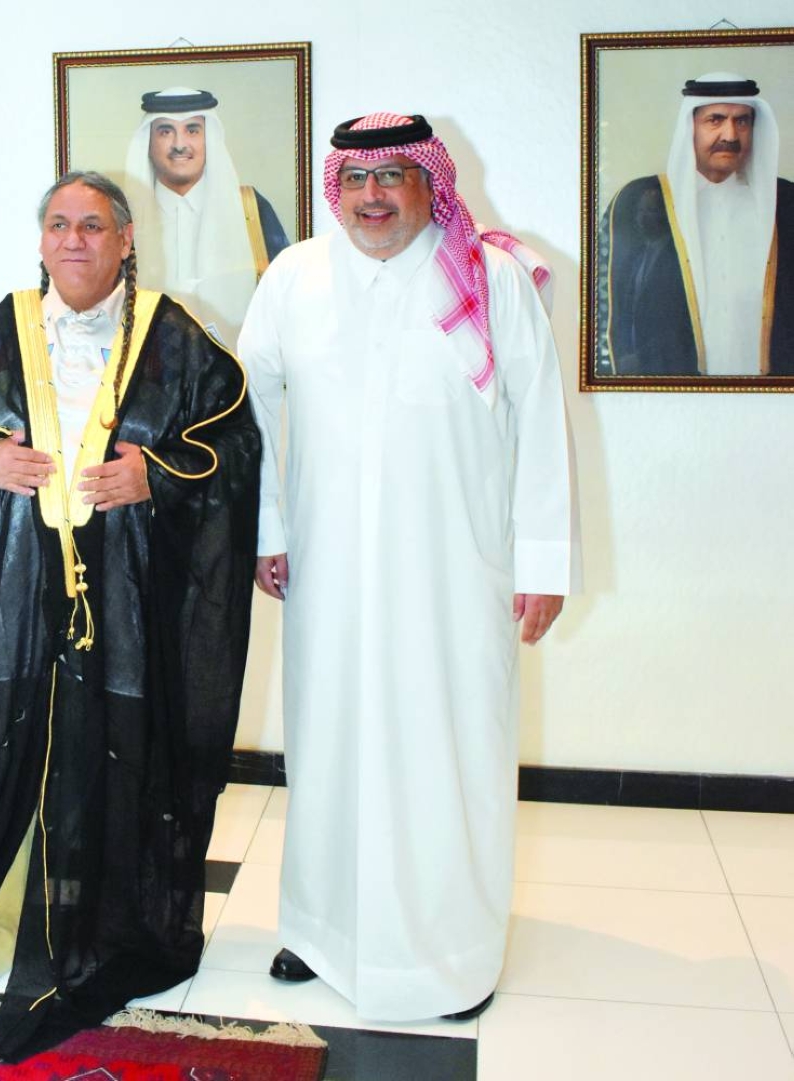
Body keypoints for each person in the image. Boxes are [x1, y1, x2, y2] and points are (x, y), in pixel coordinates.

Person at [0, 171, 261, 1061]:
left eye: (94, 226)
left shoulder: (175, 340)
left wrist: (160, 474)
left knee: (117, 743)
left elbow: (232, 442)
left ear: (123, 242)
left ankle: (107, 925)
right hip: (10, 593)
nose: (75, 240)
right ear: (41, 241)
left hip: (128, 591)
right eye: (58, 225)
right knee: (0, 742)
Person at [238, 112, 580, 1022]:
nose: (373, 196)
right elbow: (253, 411)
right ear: (335, 187)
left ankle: (448, 955)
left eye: (393, 176)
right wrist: (268, 525)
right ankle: (319, 931)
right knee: (330, 743)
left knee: (447, 751)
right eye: (357, 179)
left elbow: (541, 421)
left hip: (453, 573)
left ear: (434, 184)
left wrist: (542, 558)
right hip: (329, 570)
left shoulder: (490, 277)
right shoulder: (295, 278)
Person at [596, 73, 794, 377]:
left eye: (742, 121)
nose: (730, 134)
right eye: (715, 120)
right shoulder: (640, 201)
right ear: (690, 126)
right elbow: (612, 315)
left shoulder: (787, 203)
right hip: (674, 398)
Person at [124, 86, 289, 349]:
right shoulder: (123, 217)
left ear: (208, 138)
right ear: (148, 142)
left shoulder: (251, 210)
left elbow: (285, 301)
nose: (179, 145)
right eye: (166, 131)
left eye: (192, 130)